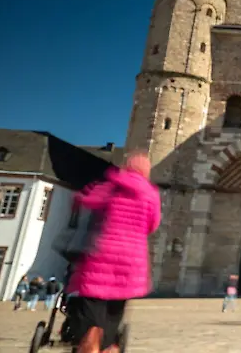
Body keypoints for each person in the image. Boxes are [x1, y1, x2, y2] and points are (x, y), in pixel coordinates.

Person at [68, 151, 161, 353]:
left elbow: (86, 200)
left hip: (102, 253)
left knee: (92, 300)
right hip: (132, 260)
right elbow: (153, 225)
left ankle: (91, 334)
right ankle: (108, 345)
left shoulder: (112, 186)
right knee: (115, 310)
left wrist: (79, 198)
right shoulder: (151, 193)